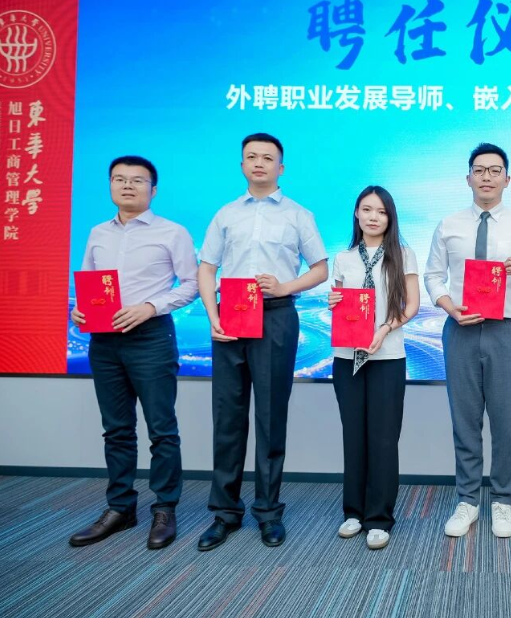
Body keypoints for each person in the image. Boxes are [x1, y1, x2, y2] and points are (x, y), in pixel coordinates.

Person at [196, 133, 328, 551]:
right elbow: (206, 268)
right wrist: (213, 316)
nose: (258, 163)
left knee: (271, 418)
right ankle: (225, 513)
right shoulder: (226, 214)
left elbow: (321, 269)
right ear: (242, 165)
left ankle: (269, 512)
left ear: (280, 167)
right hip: (230, 317)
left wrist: (285, 286)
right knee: (228, 418)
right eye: (251, 157)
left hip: (275, 316)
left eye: (267, 158)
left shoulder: (297, 215)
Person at [424, 142, 511, 539]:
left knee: (505, 421)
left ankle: (502, 500)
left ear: (507, 179)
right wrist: (449, 307)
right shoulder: (449, 225)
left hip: (508, 331)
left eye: (494, 171)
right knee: (464, 420)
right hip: (461, 330)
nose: (487, 177)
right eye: (479, 170)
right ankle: (467, 500)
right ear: (468, 178)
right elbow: (433, 276)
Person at [68, 156, 198, 550]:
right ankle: (120, 508)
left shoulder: (172, 232)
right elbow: (89, 283)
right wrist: (79, 311)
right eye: (119, 179)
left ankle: (165, 507)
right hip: (104, 340)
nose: (127, 185)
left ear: (152, 190)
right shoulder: (97, 233)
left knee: (162, 429)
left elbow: (192, 284)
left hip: (150, 337)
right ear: (110, 185)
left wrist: (151, 307)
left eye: (137, 180)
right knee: (117, 429)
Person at [328, 186, 419, 550]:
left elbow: (411, 306)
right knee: (353, 435)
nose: (373, 217)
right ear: (356, 213)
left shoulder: (403, 255)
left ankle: (379, 517)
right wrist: (333, 301)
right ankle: (353, 511)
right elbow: (339, 304)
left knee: (383, 438)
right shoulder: (343, 258)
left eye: (381, 211)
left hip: (388, 357)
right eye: (366, 209)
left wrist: (384, 329)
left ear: (390, 217)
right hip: (346, 357)